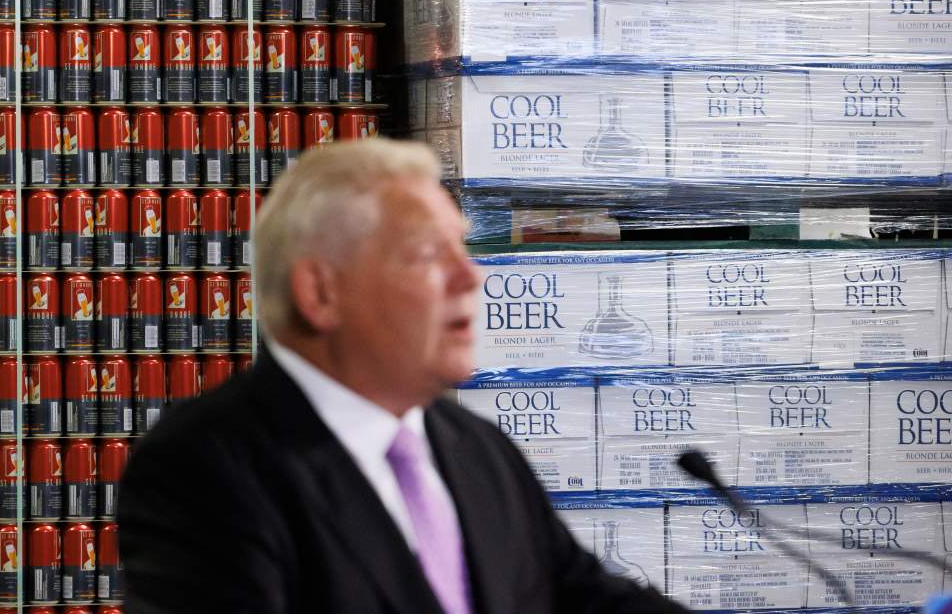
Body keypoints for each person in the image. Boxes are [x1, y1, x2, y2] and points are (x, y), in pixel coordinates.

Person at [117, 138, 689, 614]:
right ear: (320, 292)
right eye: (426, 254)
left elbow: (583, 597)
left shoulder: (478, 449)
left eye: (462, 248)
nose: (471, 278)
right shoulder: (206, 467)